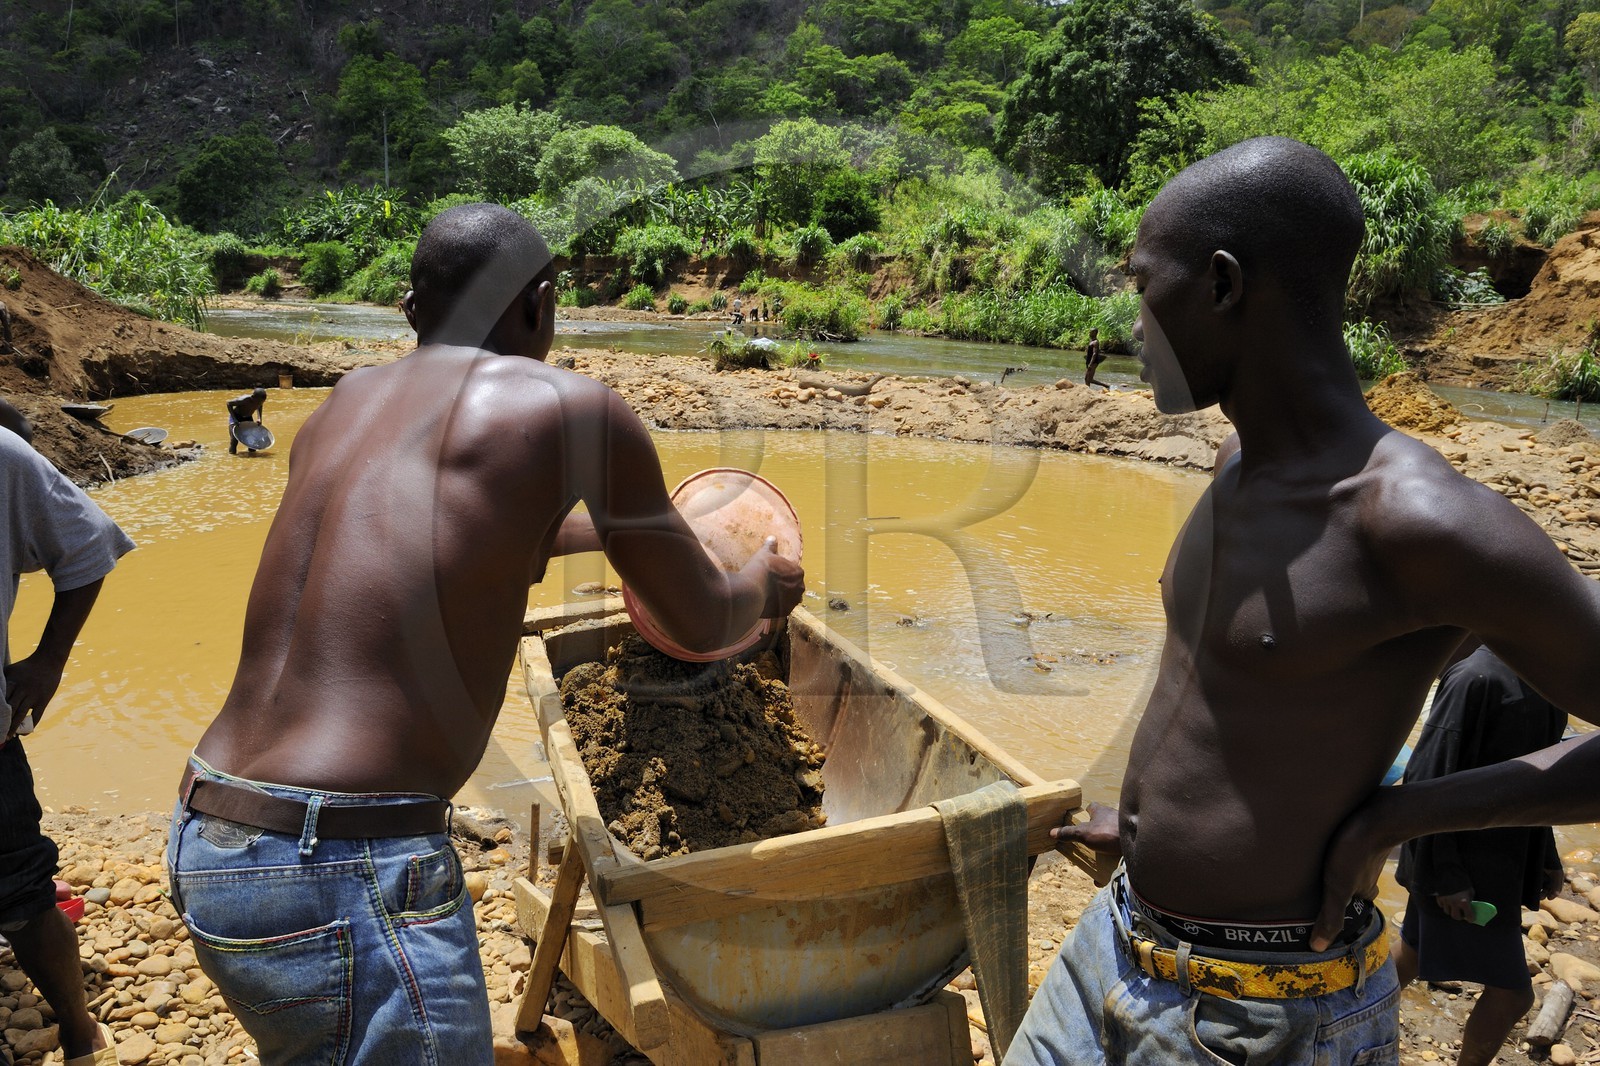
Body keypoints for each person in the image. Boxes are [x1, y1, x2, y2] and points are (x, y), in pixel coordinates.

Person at [1007, 137, 1600, 1065]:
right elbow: (1239, 698)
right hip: (1111, 948)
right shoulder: (1234, 468)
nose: (1132, 325)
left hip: (1266, 1020)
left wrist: (1401, 815)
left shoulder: (1420, 524)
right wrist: (1152, 821)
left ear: (1222, 285)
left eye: (1141, 285)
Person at [166, 204, 804, 1065]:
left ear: (409, 309)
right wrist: (762, 587)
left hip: (213, 834)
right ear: (541, 303)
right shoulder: (573, 407)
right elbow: (699, 618)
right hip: (347, 861)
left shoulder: (346, 405)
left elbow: (473, 538)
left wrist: (654, 536)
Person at [3, 411, 134, 1066]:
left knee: (22, 888)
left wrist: (49, 658)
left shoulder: (3, 455)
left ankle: (78, 1028)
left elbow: (88, 545)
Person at [1395, 641, 1567, 1066]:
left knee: (1412, 953)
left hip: (1501, 857)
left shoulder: (1547, 677)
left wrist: (1546, 854)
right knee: (1512, 995)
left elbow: (1535, 778)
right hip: (1462, 867)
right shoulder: (1476, 679)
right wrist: (1446, 877)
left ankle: (1339, 1023)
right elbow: (1426, 781)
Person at [225, 387, 267, 454]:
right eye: (259, 401)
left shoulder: (259, 400)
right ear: (253, 397)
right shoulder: (244, 400)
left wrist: (259, 418)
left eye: (262, 402)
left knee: (252, 440)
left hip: (248, 417)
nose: (260, 403)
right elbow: (229, 404)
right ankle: (232, 456)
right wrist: (234, 419)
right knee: (234, 440)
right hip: (236, 416)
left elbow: (260, 406)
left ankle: (252, 457)